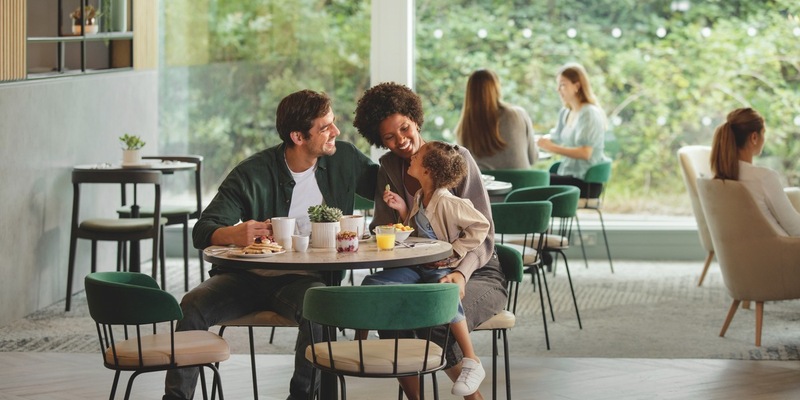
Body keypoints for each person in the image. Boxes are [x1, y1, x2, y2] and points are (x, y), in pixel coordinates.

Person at [162, 89, 378, 400]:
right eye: (325, 127)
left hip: (302, 282)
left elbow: (389, 184)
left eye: (333, 123)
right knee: (193, 305)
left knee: (319, 305)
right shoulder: (253, 172)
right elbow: (204, 228)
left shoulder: (343, 158)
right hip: (244, 278)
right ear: (298, 136)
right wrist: (234, 233)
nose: (336, 132)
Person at [353, 82, 507, 400]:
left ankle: (472, 397)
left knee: (434, 312)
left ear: (416, 119)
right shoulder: (389, 169)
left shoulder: (453, 158)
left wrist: (461, 273)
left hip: (477, 271)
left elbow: (484, 233)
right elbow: (385, 229)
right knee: (390, 307)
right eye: (389, 138)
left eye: (404, 129)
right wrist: (395, 221)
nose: (401, 142)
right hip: (421, 269)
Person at [363, 141, 489, 396]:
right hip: (418, 265)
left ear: (428, 170)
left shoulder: (448, 201)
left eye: (417, 156)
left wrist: (455, 250)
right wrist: (402, 210)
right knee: (373, 284)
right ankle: (359, 344)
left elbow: (481, 225)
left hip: (441, 267)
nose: (411, 157)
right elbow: (417, 230)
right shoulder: (421, 196)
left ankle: (471, 359)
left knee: (444, 294)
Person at [710, 107, 800, 236]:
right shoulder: (764, 177)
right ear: (754, 137)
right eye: (763, 133)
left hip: (738, 254)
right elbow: (796, 229)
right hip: (781, 252)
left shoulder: (717, 180)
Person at [537, 62, 609, 198]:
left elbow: (585, 153)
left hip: (585, 182)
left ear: (577, 86)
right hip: (568, 175)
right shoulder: (566, 112)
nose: (558, 89)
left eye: (563, 84)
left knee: (536, 180)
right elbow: (555, 137)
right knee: (535, 179)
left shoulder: (589, 113)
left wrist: (551, 147)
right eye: (558, 85)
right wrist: (534, 140)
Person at [455, 69, 539, 170]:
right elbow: (533, 158)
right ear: (496, 88)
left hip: (488, 185)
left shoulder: (464, 127)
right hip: (525, 184)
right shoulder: (518, 114)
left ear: (469, 93)